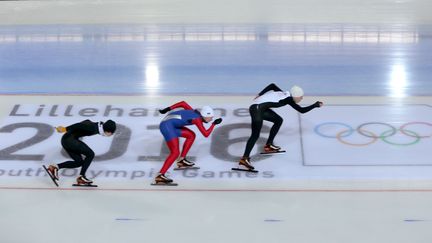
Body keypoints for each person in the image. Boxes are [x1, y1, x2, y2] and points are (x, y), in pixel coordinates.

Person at [237, 83, 323, 171]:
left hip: (260, 108)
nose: (302, 98)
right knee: (255, 135)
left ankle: (268, 146)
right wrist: (314, 105)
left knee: (278, 120)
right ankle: (244, 159)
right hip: (256, 109)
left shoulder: (285, 94)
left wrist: (260, 94)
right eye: (300, 97)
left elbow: (272, 85)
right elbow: (302, 110)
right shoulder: (289, 99)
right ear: (295, 96)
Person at [154, 101, 222, 185]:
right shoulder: (197, 119)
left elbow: (183, 103)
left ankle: (181, 160)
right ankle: (160, 175)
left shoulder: (193, 111)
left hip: (171, 124)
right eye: (210, 117)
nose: (211, 119)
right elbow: (206, 134)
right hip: (167, 126)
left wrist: (167, 109)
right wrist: (213, 124)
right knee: (175, 153)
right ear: (205, 116)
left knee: (191, 135)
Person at [43, 119, 116, 186]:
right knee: (90, 154)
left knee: (79, 162)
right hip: (69, 140)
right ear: (108, 131)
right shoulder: (94, 128)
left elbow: (86, 121)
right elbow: (79, 125)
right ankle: (81, 177)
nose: (111, 135)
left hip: (67, 140)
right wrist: (65, 129)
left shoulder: (98, 126)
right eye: (111, 133)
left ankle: (54, 167)